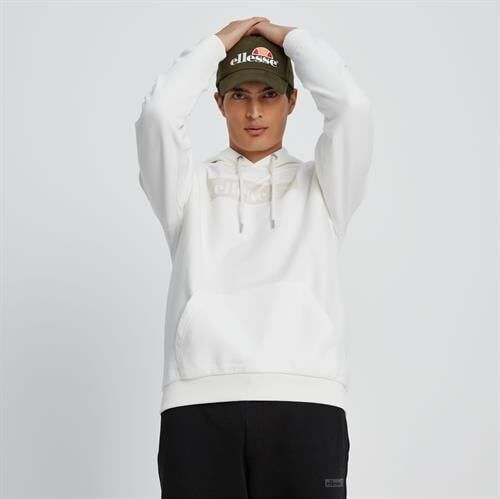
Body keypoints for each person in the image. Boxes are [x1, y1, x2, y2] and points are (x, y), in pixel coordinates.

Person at [134, 16, 374, 499]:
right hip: (198, 403)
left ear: (292, 101)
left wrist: (293, 41)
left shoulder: (324, 186)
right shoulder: (186, 188)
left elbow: (351, 108)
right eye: (239, 96)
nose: (254, 112)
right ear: (219, 103)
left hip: (306, 400)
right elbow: (158, 115)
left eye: (268, 95)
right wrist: (216, 45)